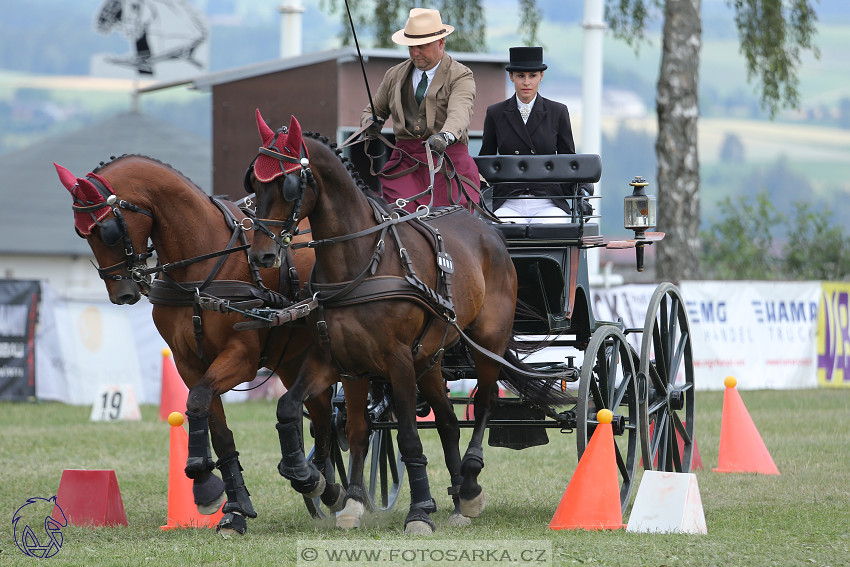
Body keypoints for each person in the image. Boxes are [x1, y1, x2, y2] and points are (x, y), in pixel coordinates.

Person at [361, 8, 480, 213]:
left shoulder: (461, 75)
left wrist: (446, 135)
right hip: (405, 164)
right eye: (411, 47)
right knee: (397, 218)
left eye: (422, 47)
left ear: (441, 43)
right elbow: (372, 111)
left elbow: (460, 112)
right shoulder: (394, 75)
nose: (415, 53)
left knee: (456, 220)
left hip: (449, 161)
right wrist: (369, 124)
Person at [479, 46, 593, 223]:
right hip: (509, 200)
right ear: (511, 77)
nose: (526, 83)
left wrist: (582, 191)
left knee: (553, 224)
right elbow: (486, 160)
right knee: (502, 228)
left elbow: (568, 160)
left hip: (548, 201)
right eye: (520, 76)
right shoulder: (495, 113)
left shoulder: (558, 112)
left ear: (541, 76)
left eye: (532, 76)